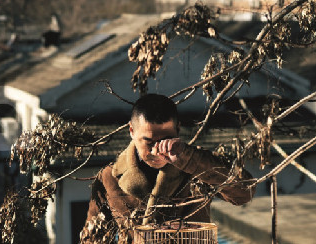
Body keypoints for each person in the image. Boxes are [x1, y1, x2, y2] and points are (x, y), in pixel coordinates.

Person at [80, 94, 255, 243]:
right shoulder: (109, 177)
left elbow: (244, 192)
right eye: (148, 141)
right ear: (132, 131)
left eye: (166, 140)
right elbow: (92, 238)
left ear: (178, 129)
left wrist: (187, 158)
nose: (157, 150)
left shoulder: (198, 163)